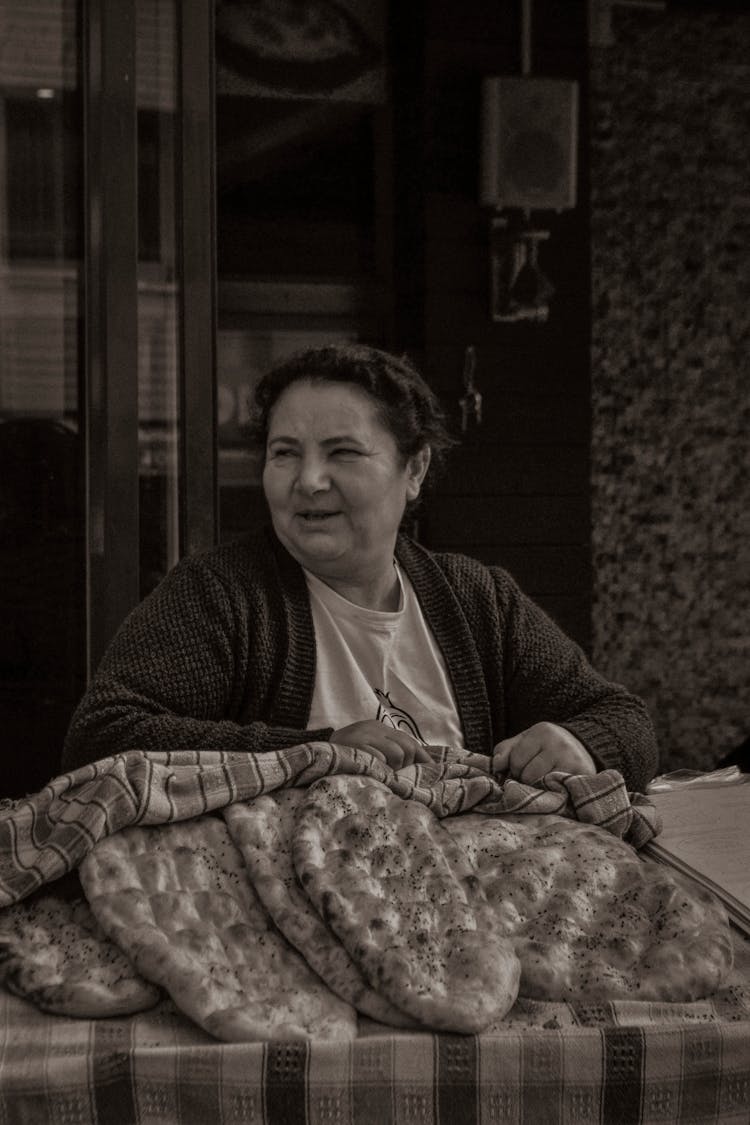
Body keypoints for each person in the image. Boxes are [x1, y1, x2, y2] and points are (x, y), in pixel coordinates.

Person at [61, 343, 658, 792]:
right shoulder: (221, 595)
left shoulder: (476, 601)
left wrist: (581, 742)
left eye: (342, 452)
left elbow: (624, 720)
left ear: (415, 470)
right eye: (284, 454)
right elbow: (102, 739)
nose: (308, 481)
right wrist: (318, 750)